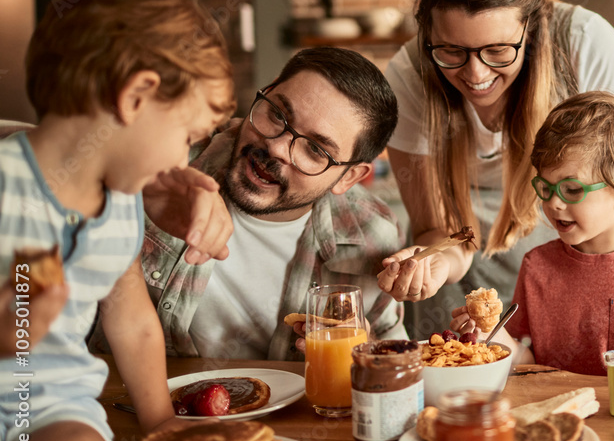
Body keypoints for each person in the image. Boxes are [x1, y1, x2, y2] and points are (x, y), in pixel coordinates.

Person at [0, 0, 235, 441]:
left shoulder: (122, 206)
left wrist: (159, 422)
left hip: (52, 404)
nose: (184, 161)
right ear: (136, 96)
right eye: (188, 137)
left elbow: (130, 317)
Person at [377, 0, 614, 338]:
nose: (476, 74)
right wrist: (435, 263)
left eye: (498, 50)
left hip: (571, 223)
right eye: (451, 51)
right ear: (426, 34)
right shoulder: (409, 76)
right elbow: (440, 229)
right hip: (471, 250)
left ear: (531, 29)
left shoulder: (585, 43)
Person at [94, 47, 407, 362]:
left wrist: (362, 345)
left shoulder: (370, 235)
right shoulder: (166, 159)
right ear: (267, 90)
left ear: (349, 177)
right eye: (278, 115)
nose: (277, 148)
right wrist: (145, 190)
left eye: (314, 149)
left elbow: (397, 363)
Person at [451, 92, 614, 382]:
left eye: (572, 190)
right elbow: (528, 359)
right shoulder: (536, 265)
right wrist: (495, 337)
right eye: (545, 188)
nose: (554, 204)